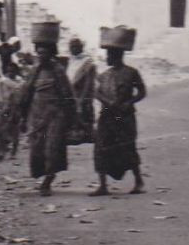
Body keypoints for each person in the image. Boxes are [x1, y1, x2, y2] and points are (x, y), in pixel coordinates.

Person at [15, 37, 79, 196]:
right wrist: (23, 117)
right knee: (37, 150)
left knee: (52, 150)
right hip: (36, 117)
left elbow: (67, 95)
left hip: (55, 117)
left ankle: (48, 181)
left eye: (44, 52)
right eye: (39, 52)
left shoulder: (58, 71)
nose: (40, 55)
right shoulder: (35, 71)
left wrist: (71, 118)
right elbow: (26, 95)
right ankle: (44, 177)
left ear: (51, 53)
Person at [92, 42, 147, 195]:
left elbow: (142, 92)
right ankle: (102, 185)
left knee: (128, 148)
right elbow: (96, 92)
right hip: (107, 116)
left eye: (110, 55)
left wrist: (129, 102)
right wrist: (107, 102)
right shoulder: (104, 76)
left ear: (118, 56)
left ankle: (138, 181)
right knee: (101, 148)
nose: (107, 58)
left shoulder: (131, 73)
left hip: (125, 116)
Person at [66, 37, 97, 145]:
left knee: (83, 113)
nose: (73, 49)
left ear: (81, 47)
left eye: (75, 46)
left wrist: (82, 98)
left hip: (83, 93)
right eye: (71, 47)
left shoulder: (88, 62)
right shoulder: (71, 60)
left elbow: (89, 83)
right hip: (72, 92)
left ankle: (88, 134)